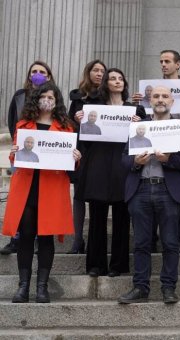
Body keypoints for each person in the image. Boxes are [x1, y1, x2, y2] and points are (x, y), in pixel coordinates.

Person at [3, 82, 81, 303]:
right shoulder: (24, 124)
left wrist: (75, 159)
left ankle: (42, 287)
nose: (47, 100)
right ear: (36, 99)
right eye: (43, 96)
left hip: (52, 188)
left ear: (57, 102)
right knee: (26, 236)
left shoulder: (65, 127)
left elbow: (70, 166)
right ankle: (23, 286)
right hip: (27, 187)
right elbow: (15, 160)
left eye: (51, 97)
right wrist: (14, 153)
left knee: (46, 237)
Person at [118, 86, 180, 305]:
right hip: (140, 189)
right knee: (141, 243)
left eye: (164, 96)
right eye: (156, 97)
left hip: (167, 191)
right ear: (149, 101)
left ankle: (168, 287)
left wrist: (168, 160)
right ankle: (140, 287)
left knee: (170, 242)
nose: (160, 100)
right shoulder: (137, 127)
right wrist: (135, 162)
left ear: (172, 101)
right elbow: (123, 159)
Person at [74, 68, 146, 278]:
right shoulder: (92, 110)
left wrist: (140, 126)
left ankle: (118, 264)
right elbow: (85, 142)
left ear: (125, 84)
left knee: (122, 216)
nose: (117, 81)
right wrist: (81, 124)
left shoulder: (136, 110)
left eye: (120, 78)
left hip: (123, 165)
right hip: (98, 164)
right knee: (97, 215)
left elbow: (144, 139)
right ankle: (96, 265)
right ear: (105, 84)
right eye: (112, 78)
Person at [1, 61, 55, 255]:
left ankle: (41, 236)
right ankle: (16, 238)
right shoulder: (19, 96)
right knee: (18, 198)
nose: (38, 74)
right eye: (34, 71)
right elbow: (12, 120)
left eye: (42, 72)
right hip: (23, 153)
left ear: (48, 77)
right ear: (29, 75)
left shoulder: (53, 97)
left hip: (47, 157)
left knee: (42, 199)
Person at [67, 59, 106, 255]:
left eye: (102, 71)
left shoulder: (108, 96)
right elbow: (68, 127)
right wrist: (75, 121)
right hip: (81, 149)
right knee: (79, 195)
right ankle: (77, 239)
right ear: (88, 73)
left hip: (101, 151)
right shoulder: (78, 98)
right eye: (95, 70)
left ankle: (95, 239)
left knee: (98, 195)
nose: (99, 73)